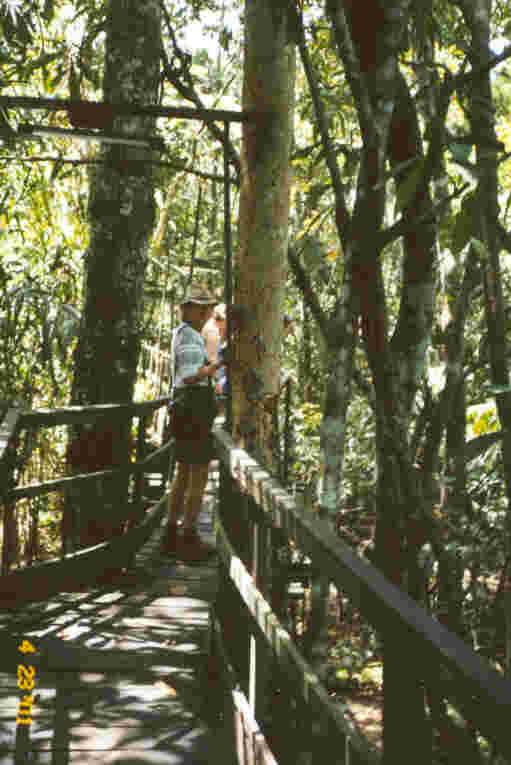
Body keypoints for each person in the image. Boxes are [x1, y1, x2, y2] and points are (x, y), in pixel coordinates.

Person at [162, 288, 224, 562]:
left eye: (207, 309)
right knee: (197, 473)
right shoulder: (188, 335)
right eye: (201, 309)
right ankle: (188, 536)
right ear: (188, 310)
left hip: (186, 410)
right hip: (193, 411)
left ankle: (171, 532)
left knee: (184, 472)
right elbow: (189, 376)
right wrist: (215, 366)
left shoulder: (183, 333)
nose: (205, 314)